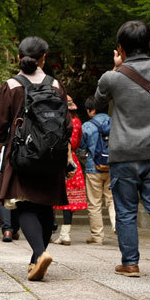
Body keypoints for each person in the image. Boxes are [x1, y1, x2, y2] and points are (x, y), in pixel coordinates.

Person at [94, 20, 150, 284]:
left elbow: (97, 103)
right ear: (149, 43)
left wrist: (116, 67)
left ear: (120, 48)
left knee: (125, 210)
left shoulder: (112, 77)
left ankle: (130, 263)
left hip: (123, 154)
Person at [0, 36, 73, 281]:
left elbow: (0, 127)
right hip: (52, 155)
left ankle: (39, 254)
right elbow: (66, 125)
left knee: (24, 204)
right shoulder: (56, 84)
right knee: (45, 205)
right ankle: (37, 260)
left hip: (21, 155)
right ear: (44, 58)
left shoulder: (12, 85)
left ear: (18, 57)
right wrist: (64, 155)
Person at [52, 96, 88, 245]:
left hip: (56, 159)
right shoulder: (78, 122)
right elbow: (77, 142)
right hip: (71, 160)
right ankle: (65, 234)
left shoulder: (57, 122)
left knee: (50, 195)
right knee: (70, 199)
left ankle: (49, 228)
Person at [80, 97, 115, 244]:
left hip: (93, 168)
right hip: (113, 167)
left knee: (95, 203)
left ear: (92, 110)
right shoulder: (116, 122)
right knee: (112, 199)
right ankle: (116, 224)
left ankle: (97, 236)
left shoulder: (87, 126)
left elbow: (81, 147)